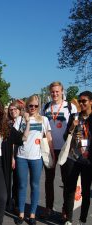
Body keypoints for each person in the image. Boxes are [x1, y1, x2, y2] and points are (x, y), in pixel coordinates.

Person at [14, 95, 54, 225]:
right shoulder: (20, 119)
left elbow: (48, 137)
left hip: (37, 157)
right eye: (31, 105)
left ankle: (32, 214)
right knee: (21, 185)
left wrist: (53, 153)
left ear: (39, 106)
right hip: (21, 156)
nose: (33, 108)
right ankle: (21, 213)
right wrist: (12, 158)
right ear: (27, 105)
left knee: (35, 186)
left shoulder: (44, 120)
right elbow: (13, 139)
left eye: (36, 106)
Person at [41, 81, 77, 219]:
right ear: (50, 93)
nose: (55, 94)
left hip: (65, 149)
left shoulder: (70, 107)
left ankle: (65, 209)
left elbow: (76, 128)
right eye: (52, 92)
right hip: (49, 148)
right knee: (48, 180)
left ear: (62, 91)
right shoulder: (45, 107)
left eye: (57, 91)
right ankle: (48, 207)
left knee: (66, 181)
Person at [62, 91, 92, 225]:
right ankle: (68, 219)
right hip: (73, 158)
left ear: (91, 102)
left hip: (88, 161)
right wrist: (71, 128)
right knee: (70, 189)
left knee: (86, 192)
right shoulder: (74, 117)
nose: (81, 103)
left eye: (84, 101)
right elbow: (65, 138)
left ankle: (82, 219)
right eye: (79, 101)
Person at [7, 100, 22, 212]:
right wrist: (11, 157)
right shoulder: (7, 122)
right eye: (11, 110)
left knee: (17, 180)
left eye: (15, 109)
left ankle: (16, 202)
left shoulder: (23, 121)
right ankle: (7, 201)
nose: (13, 111)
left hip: (21, 154)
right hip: (9, 153)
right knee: (7, 179)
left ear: (19, 110)